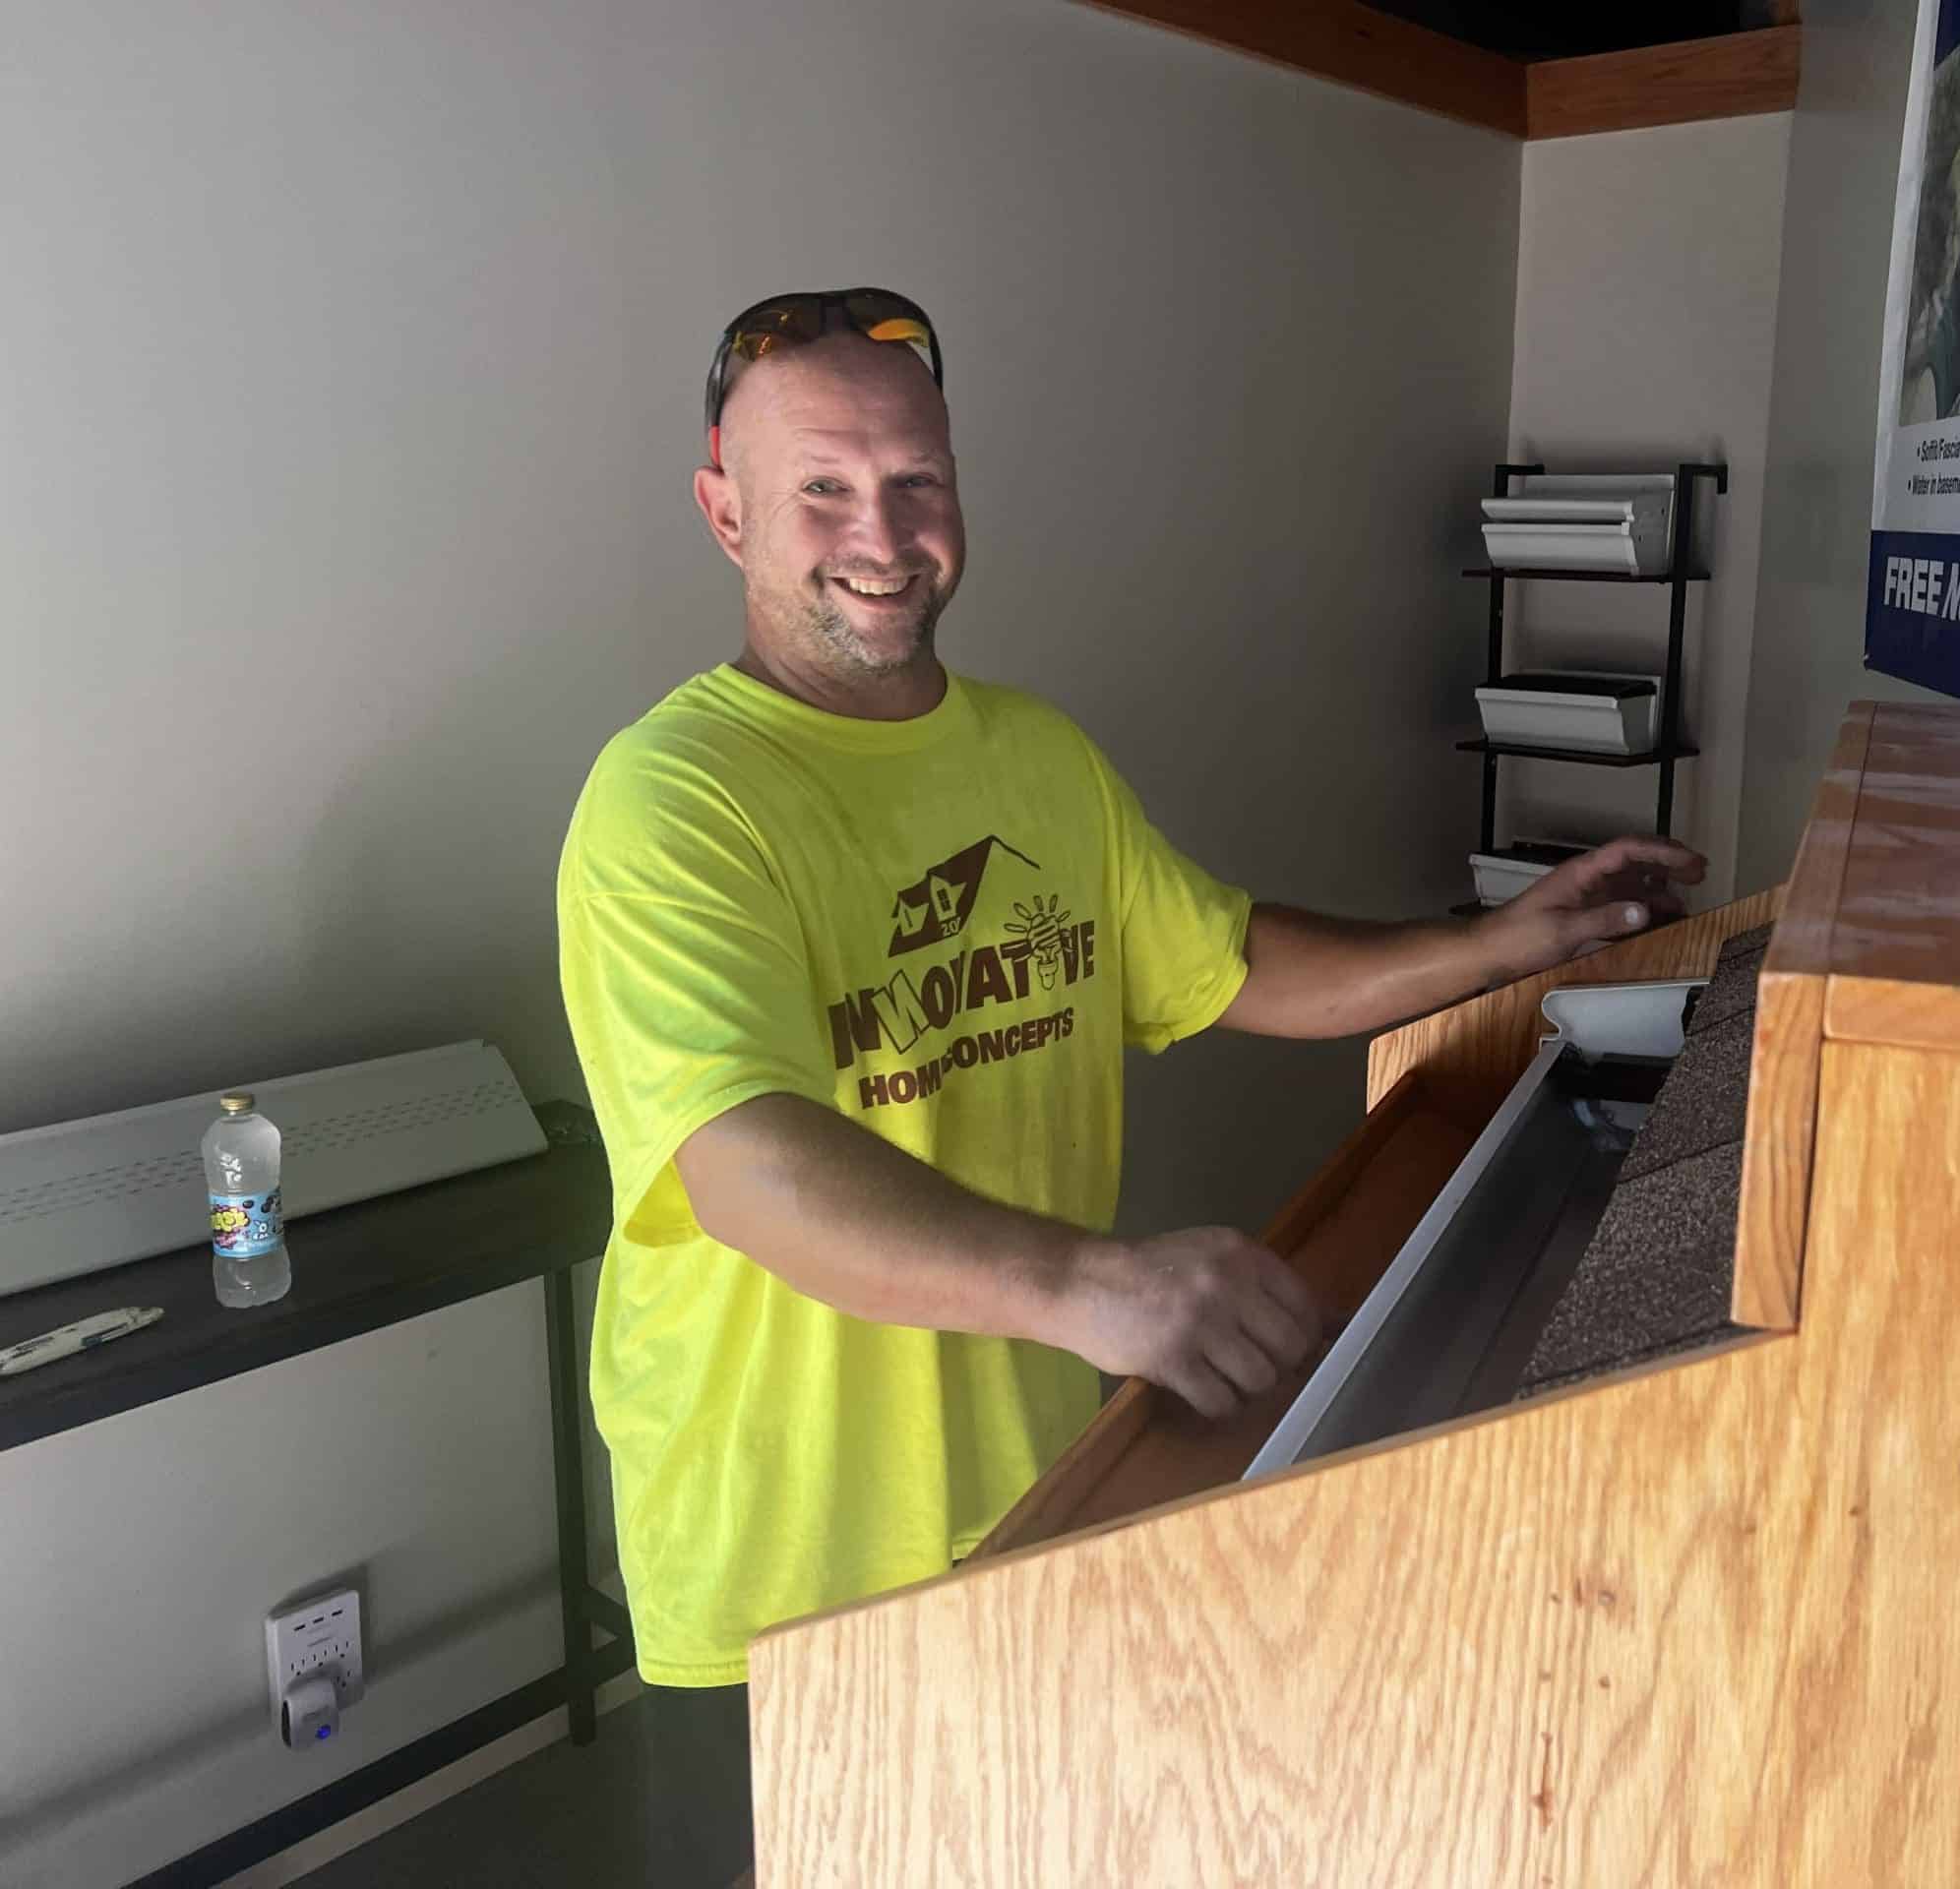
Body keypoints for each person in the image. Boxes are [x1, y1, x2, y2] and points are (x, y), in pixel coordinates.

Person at [556, 289, 1702, 1837]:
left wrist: (1508, 942)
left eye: (917, 482)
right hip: (783, 1566)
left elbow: (1226, 961)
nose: (879, 532)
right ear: (726, 513)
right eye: (822, 486)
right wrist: (1096, 1289)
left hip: (1044, 1502)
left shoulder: (1033, 754)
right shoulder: (672, 801)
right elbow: (748, 1165)